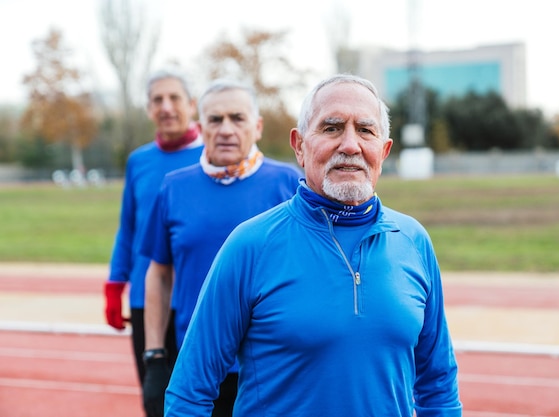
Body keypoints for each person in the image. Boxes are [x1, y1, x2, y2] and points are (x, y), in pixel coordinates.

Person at [164, 74, 462, 417]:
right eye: (332, 128)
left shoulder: (414, 242)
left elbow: (439, 388)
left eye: (365, 130)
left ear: (384, 150)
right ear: (299, 146)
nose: (350, 145)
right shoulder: (249, 246)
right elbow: (188, 394)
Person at [140, 78, 301, 417]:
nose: (226, 129)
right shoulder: (173, 188)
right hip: (199, 367)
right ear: (200, 127)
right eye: (215, 120)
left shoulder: (290, 184)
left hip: (273, 368)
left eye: (237, 118)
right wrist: (154, 356)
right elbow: (159, 274)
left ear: (256, 127)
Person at [103, 68, 203, 391]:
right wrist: (115, 285)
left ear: (192, 104)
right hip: (146, 300)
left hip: (195, 297)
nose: (166, 107)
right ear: (148, 109)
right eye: (157, 100)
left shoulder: (212, 156)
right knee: (154, 398)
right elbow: (128, 228)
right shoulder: (138, 161)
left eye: (174, 98)